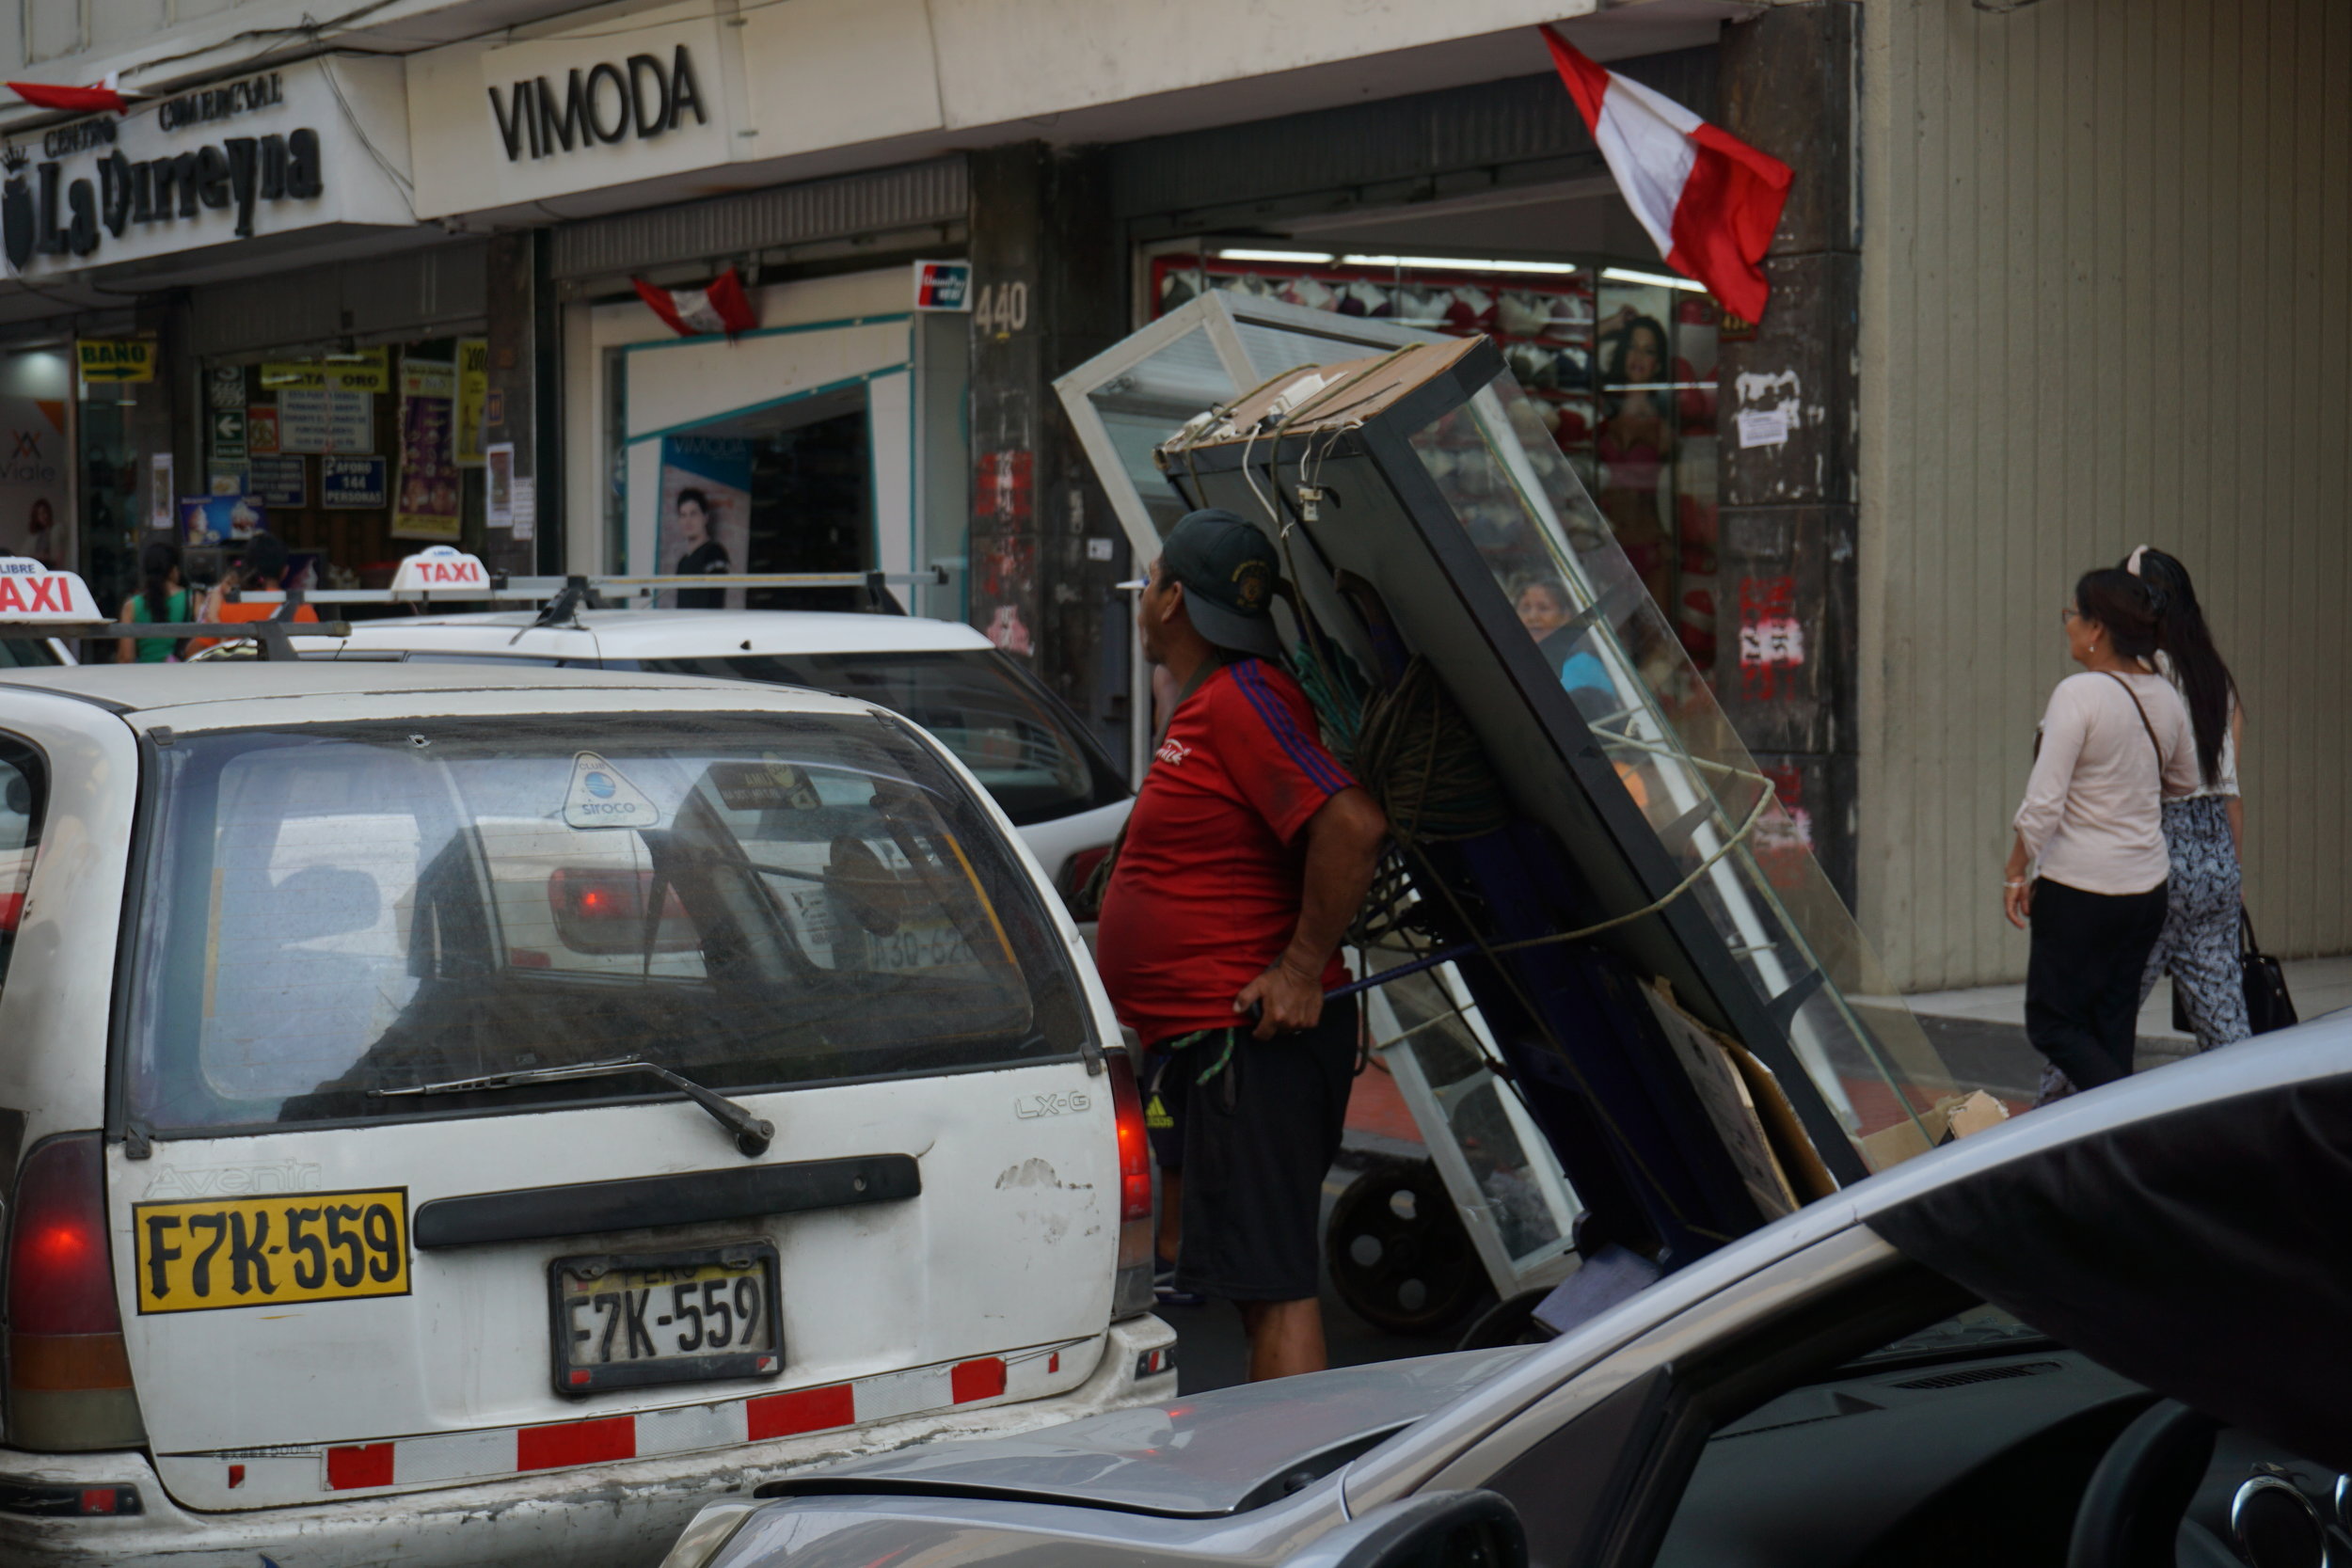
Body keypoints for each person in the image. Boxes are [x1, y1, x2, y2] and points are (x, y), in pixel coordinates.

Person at [1094, 508, 1389, 1381]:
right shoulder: (1214, 700)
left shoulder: (1244, 699)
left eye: (1149, 581)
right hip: (1211, 1046)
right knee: (1233, 1270)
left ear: (1173, 599)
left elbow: (1353, 823)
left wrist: (1299, 969)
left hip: (1257, 1045)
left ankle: (1297, 1498)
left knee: (1277, 1286)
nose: (1143, 598)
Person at [2002, 568, 2198, 1102]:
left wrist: (2015, 870)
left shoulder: (2079, 694)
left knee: (2053, 1024)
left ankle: (2134, 1116)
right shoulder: (2164, 695)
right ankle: (2109, 1157)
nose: (2067, 626)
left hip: (2080, 890)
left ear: (2098, 630)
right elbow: (2184, 780)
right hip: (2145, 890)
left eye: (2074, 616)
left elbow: (2043, 804)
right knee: (2112, 1026)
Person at [2124, 546, 2250, 1050]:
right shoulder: (2212, 673)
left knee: (2096, 1021)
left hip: (2155, 852)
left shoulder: (2137, 677)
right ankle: (2257, 1120)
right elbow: (2230, 790)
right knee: (2226, 1028)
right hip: (2214, 850)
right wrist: (2233, 874)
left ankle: (2056, 1121)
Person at [190, 533, 320, 653]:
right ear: (285, 572)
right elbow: (315, 653)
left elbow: (193, 651)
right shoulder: (303, 610)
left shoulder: (225, 608)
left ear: (247, 568)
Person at [117, 541, 190, 663]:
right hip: (184, 676)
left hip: (146, 678)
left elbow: (126, 657)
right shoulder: (193, 598)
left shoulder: (132, 605)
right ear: (173, 570)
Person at [671, 488, 731, 610]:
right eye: (683, 515)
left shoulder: (714, 552)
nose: (688, 521)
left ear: (705, 517)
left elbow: (715, 601)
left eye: (693, 514)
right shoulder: (682, 562)